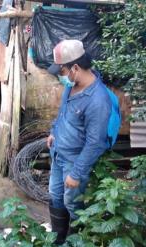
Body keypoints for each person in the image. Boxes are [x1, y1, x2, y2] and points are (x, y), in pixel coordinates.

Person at [46, 40, 112, 244]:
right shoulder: (72, 86)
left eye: (62, 70)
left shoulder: (98, 100)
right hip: (58, 154)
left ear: (75, 67)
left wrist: (76, 173)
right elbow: (64, 113)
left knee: (72, 204)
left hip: (74, 161)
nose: (61, 75)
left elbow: (96, 143)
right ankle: (58, 239)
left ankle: (76, 241)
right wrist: (54, 131)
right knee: (55, 196)